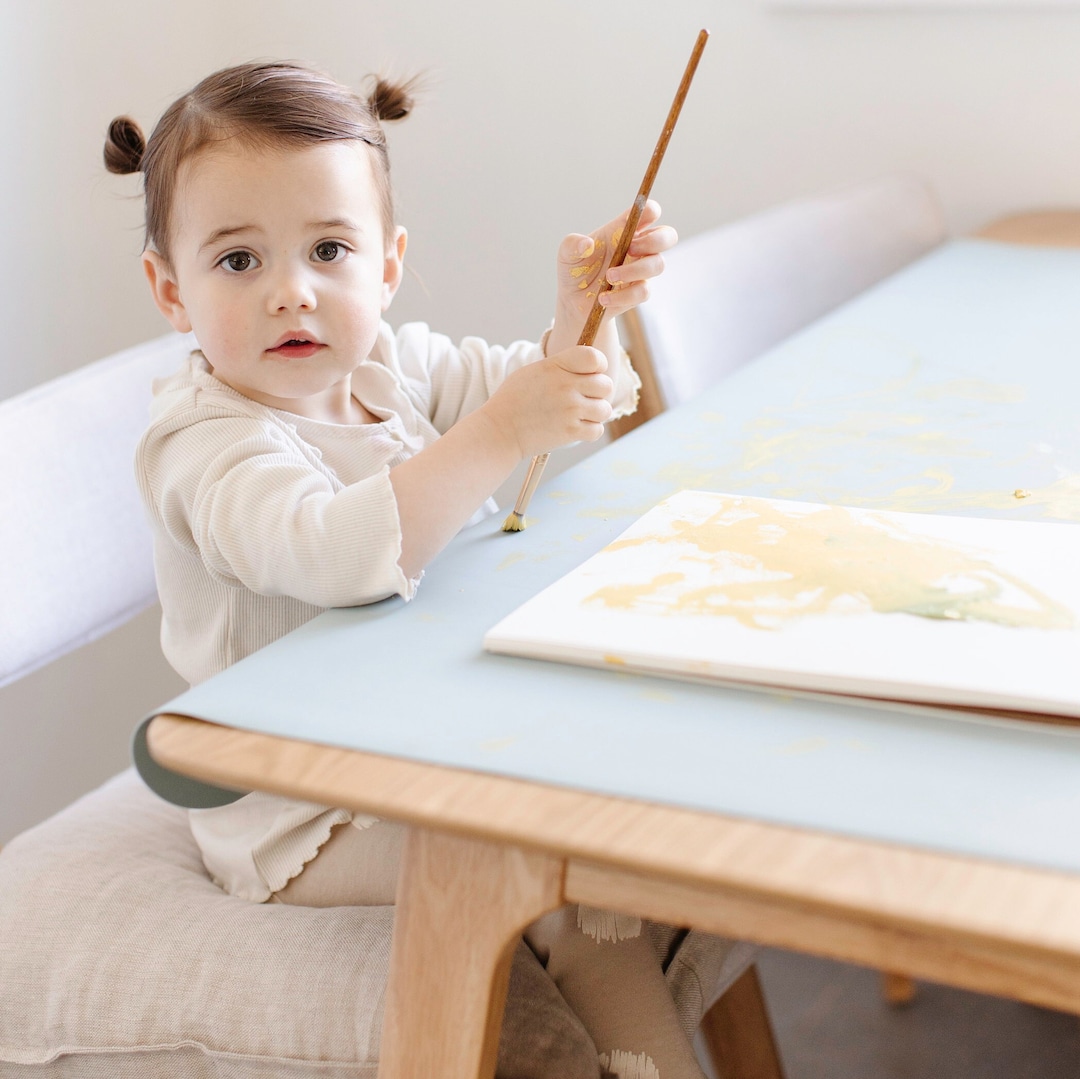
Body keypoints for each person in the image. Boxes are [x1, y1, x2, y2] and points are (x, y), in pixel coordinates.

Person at [107, 60, 706, 1079]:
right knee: (551, 858)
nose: (293, 289)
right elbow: (333, 551)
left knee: (625, 805)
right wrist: (500, 428)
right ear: (171, 288)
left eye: (328, 249)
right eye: (239, 260)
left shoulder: (392, 365)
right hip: (302, 804)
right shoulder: (203, 446)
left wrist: (576, 320)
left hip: (428, 731)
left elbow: (546, 401)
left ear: (385, 266)